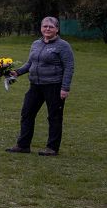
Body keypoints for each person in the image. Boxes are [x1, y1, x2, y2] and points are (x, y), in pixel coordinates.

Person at [5, 16, 75, 156]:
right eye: (45, 26)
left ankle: (52, 148)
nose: (47, 29)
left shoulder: (63, 46)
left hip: (54, 86)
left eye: (51, 27)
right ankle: (23, 145)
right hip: (35, 85)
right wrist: (17, 72)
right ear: (41, 28)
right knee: (27, 113)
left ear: (57, 29)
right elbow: (30, 63)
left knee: (54, 117)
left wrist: (65, 88)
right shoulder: (36, 44)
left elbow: (69, 67)